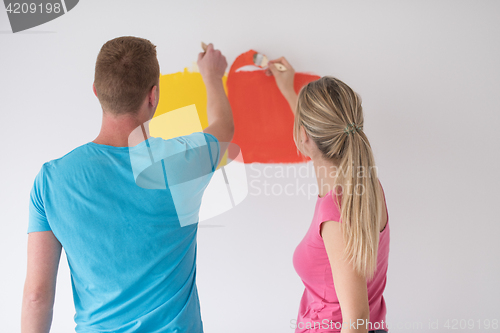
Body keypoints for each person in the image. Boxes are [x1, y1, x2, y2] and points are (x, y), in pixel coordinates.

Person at [21, 37, 233, 333]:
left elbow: (36, 297)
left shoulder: (51, 179)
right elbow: (223, 127)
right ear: (153, 96)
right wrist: (211, 75)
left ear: (96, 92)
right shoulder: (182, 161)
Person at [267, 58, 390, 333]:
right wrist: (289, 90)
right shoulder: (366, 186)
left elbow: (356, 319)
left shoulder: (335, 215)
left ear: (303, 135)